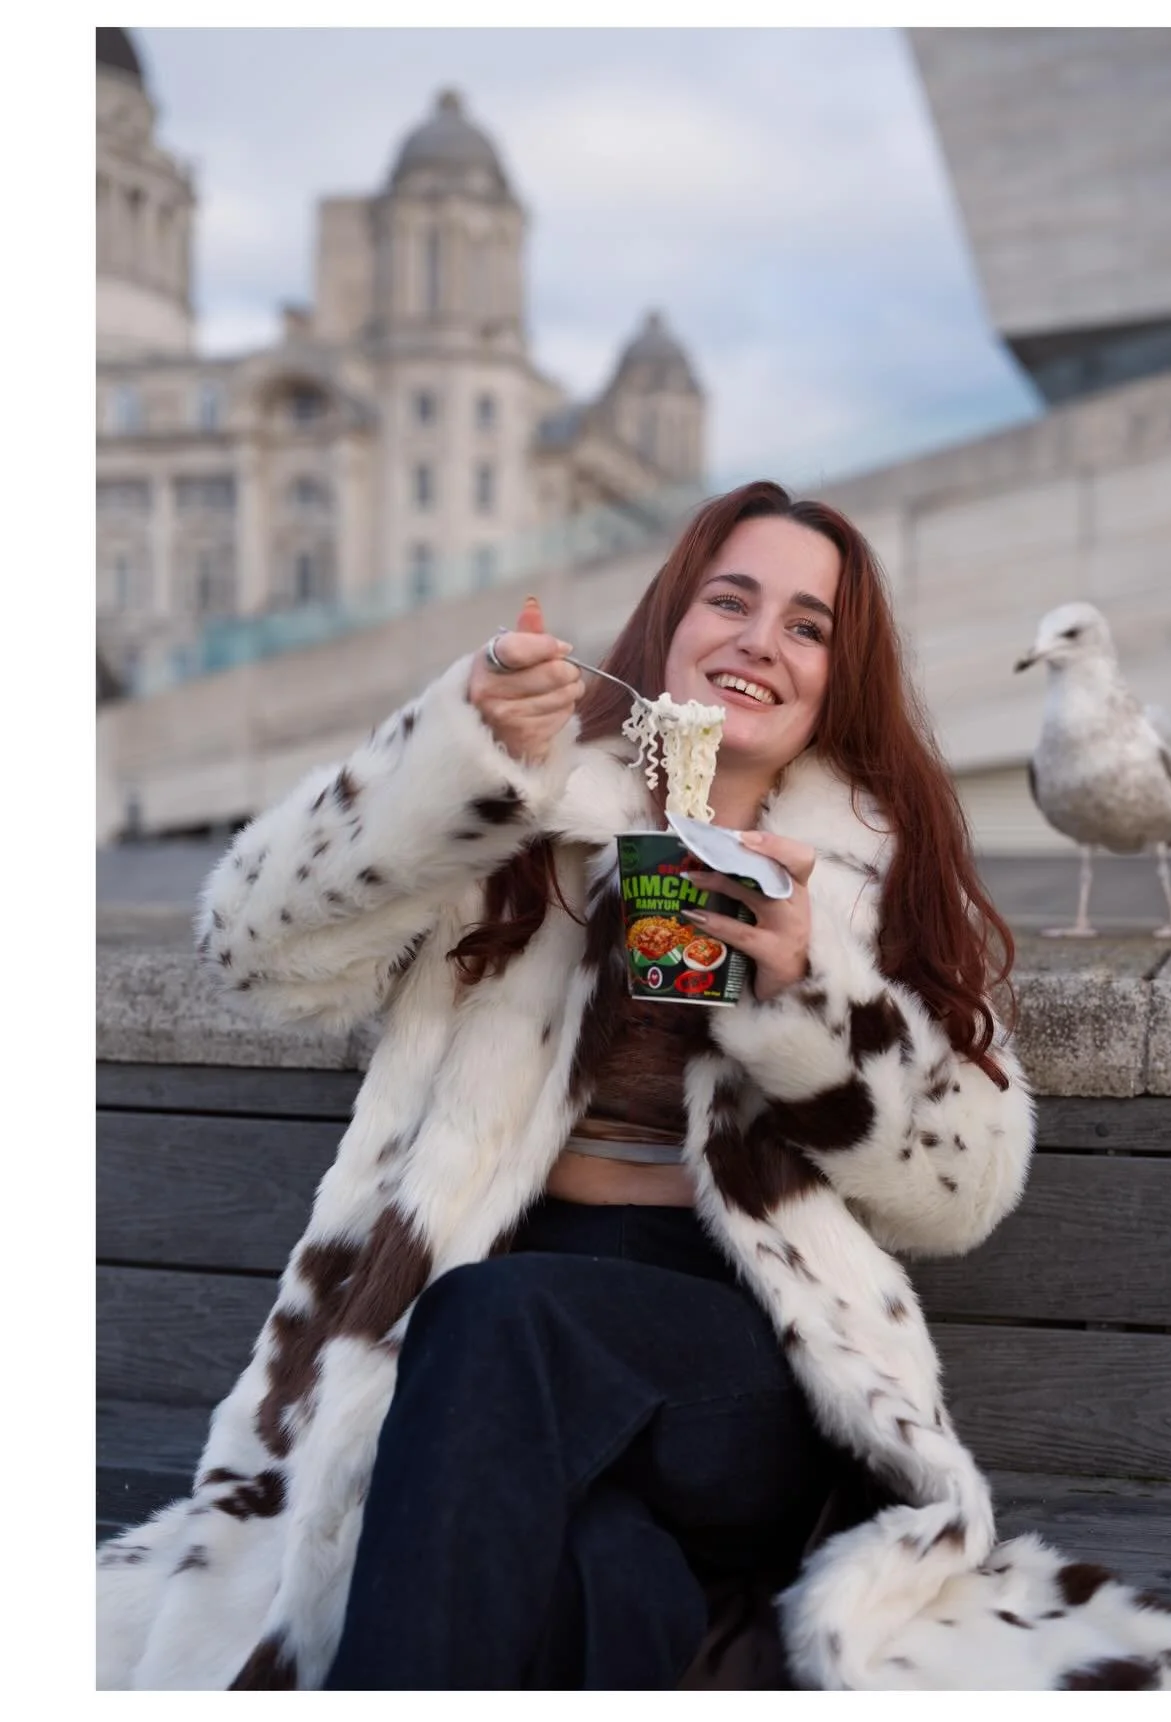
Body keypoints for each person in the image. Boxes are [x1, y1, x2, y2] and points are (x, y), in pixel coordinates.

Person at [96, 479, 1037, 1691]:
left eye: (808, 626)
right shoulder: (526, 819)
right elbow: (251, 947)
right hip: (485, 1379)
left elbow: (963, 1189)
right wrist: (457, 753)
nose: (760, 639)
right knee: (606, 1564)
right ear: (670, 624)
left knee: (500, 1319)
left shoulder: (882, 875)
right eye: (731, 600)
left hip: (748, 1356)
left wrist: (807, 996)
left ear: (835, 682)